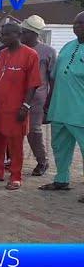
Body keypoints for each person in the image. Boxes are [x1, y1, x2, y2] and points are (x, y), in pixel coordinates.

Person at [0, 23, 41, 190]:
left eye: (7, 35)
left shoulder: (30, 55)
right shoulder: (1, 54)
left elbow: (33, 84)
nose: (2, 37)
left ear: (18, 34)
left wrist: (25, 106)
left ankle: (16, 176)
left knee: (15, 144)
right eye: (2, 34)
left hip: (16, 107)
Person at [39, 11, 84, 203]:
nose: (77, 27)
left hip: (80, 111)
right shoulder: (67, 47)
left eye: (81, 23)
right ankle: (61, 179)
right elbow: (54, 78)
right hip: (60, 109)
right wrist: (48, 104)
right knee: (59, 146)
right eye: (75, 23)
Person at [19, 15, 56, 176]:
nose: (22, 35)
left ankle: (42, 161)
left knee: (34, 131)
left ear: (34, 34)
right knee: (15, 131)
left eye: (25, 32)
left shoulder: (48, 51)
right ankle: (14, 160)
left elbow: (53, 79)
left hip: (38, 98)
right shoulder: (18, 48)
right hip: (18, 96)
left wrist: (50, 102)